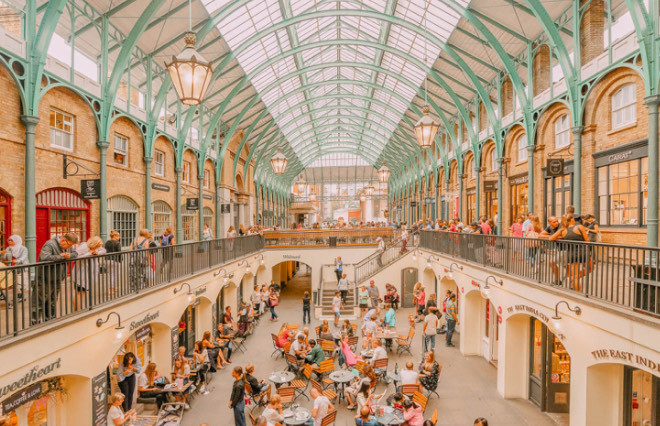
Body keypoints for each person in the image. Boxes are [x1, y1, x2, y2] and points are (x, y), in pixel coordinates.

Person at [33, 232, 79, 324]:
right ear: (63, 240)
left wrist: (69, 255)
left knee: (52, 302)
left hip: (57, 278)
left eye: (71, 245)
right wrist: (61, 257)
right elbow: (44, 257)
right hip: (44, 279)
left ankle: (50, 322)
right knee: (39, 303)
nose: (69, 248)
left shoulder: (68, 246)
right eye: (69, 245)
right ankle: (35, 324)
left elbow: (75, 253)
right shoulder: (50, 244)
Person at [550, 213, 589, 291]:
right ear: (572, 219)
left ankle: (577, 293)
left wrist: (560, 237)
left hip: (571, 253)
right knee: (589, 269)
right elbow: (587, 240)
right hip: (582, 252)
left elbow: (551, 238)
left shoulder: (563, 229)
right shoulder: (580, 227)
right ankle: (574, 280)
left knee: (574, 275)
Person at [73, 236, 106, 310]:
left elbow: (104, 250)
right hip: (81, 274)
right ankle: (77, 310)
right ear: (93, 244)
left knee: (82, 292)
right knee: (80, 292)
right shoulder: (84, 247)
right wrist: (89, 253)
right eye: (97, 246)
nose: (97, 248)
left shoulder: (94, 248)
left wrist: (97, 252)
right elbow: (76, 257)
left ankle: (78, 309)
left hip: (88, 274)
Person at [1, 234, 29, 298]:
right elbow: (3, 258)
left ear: (16, 241)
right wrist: (3, 253)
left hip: (21, 268)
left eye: (11, 241)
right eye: (9, 240)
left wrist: (18, 260)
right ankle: (19, 296)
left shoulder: (23, 249)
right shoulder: (8, 249)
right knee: (14, 283)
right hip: (12, 269)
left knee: (21, 283)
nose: (9, 242)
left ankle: (21, 295)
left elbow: (24, 257)